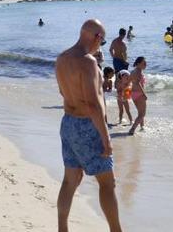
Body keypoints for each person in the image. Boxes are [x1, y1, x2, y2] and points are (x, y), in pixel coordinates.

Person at [55, 20, 121, 232]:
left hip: (68, 123)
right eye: (102, 40)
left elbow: (63, 92)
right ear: (97, 37)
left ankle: (62, 228)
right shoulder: (88, 62)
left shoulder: (62, 58)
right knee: (107, 184)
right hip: (87, 125)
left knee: (70, 181)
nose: (100, 46)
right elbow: (93, 104)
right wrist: (106, 138)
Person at [128, 57, 148, 135]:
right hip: (139, 94)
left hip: (133, 94)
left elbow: (128, 81)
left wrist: (126, 91)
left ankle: (142, 127)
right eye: (144, 63)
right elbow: (138, 83)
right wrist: (144, 94)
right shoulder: (139, 71)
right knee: (142, 114)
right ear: (138, 64)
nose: (145, 65)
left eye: (146, 63)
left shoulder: (133, 71)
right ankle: (132, 129)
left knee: (140, 112)